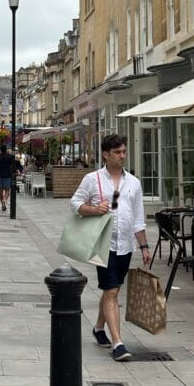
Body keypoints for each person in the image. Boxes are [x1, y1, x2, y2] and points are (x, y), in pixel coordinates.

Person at [70, 133, 151, 362]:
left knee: (111, 290)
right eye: (117, 152)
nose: (122, 156)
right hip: (103, 244)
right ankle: (118, 343)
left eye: (124, 151)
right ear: (105, 154)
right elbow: (75, 203)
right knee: (112, 291)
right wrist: (93, 210)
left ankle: (98, 328)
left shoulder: (133, 183)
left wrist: (144, 246)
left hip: (126, 245)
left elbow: (138, 219)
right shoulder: (92, 179)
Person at [0, 143, 22, 211]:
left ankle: (2, 204)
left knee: (1, 190)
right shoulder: (10, 156)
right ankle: (4, 200)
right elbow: (13, 165)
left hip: (0, 175)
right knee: (7, 190)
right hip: (8, 175)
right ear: (6, 149)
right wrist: (16, 171)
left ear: (1, 149)